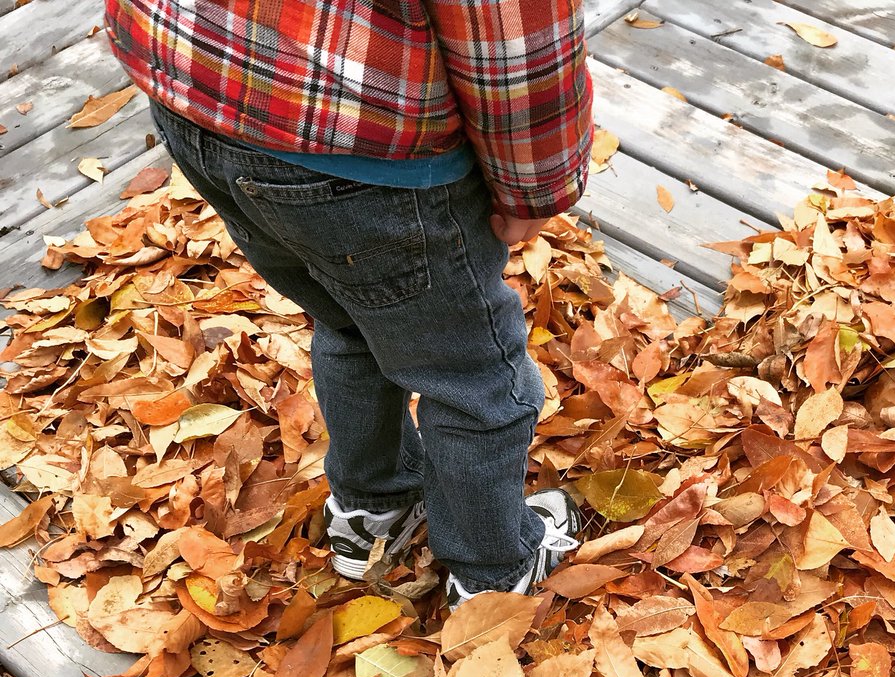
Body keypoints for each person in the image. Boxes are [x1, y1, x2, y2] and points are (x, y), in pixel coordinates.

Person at [104, 0, 593, 608]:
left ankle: (372, 510)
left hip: (197, 92)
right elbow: (510, 34)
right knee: (473, 378)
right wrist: (535, 188)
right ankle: (492, 572)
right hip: (365, 154)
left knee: (347, 320)